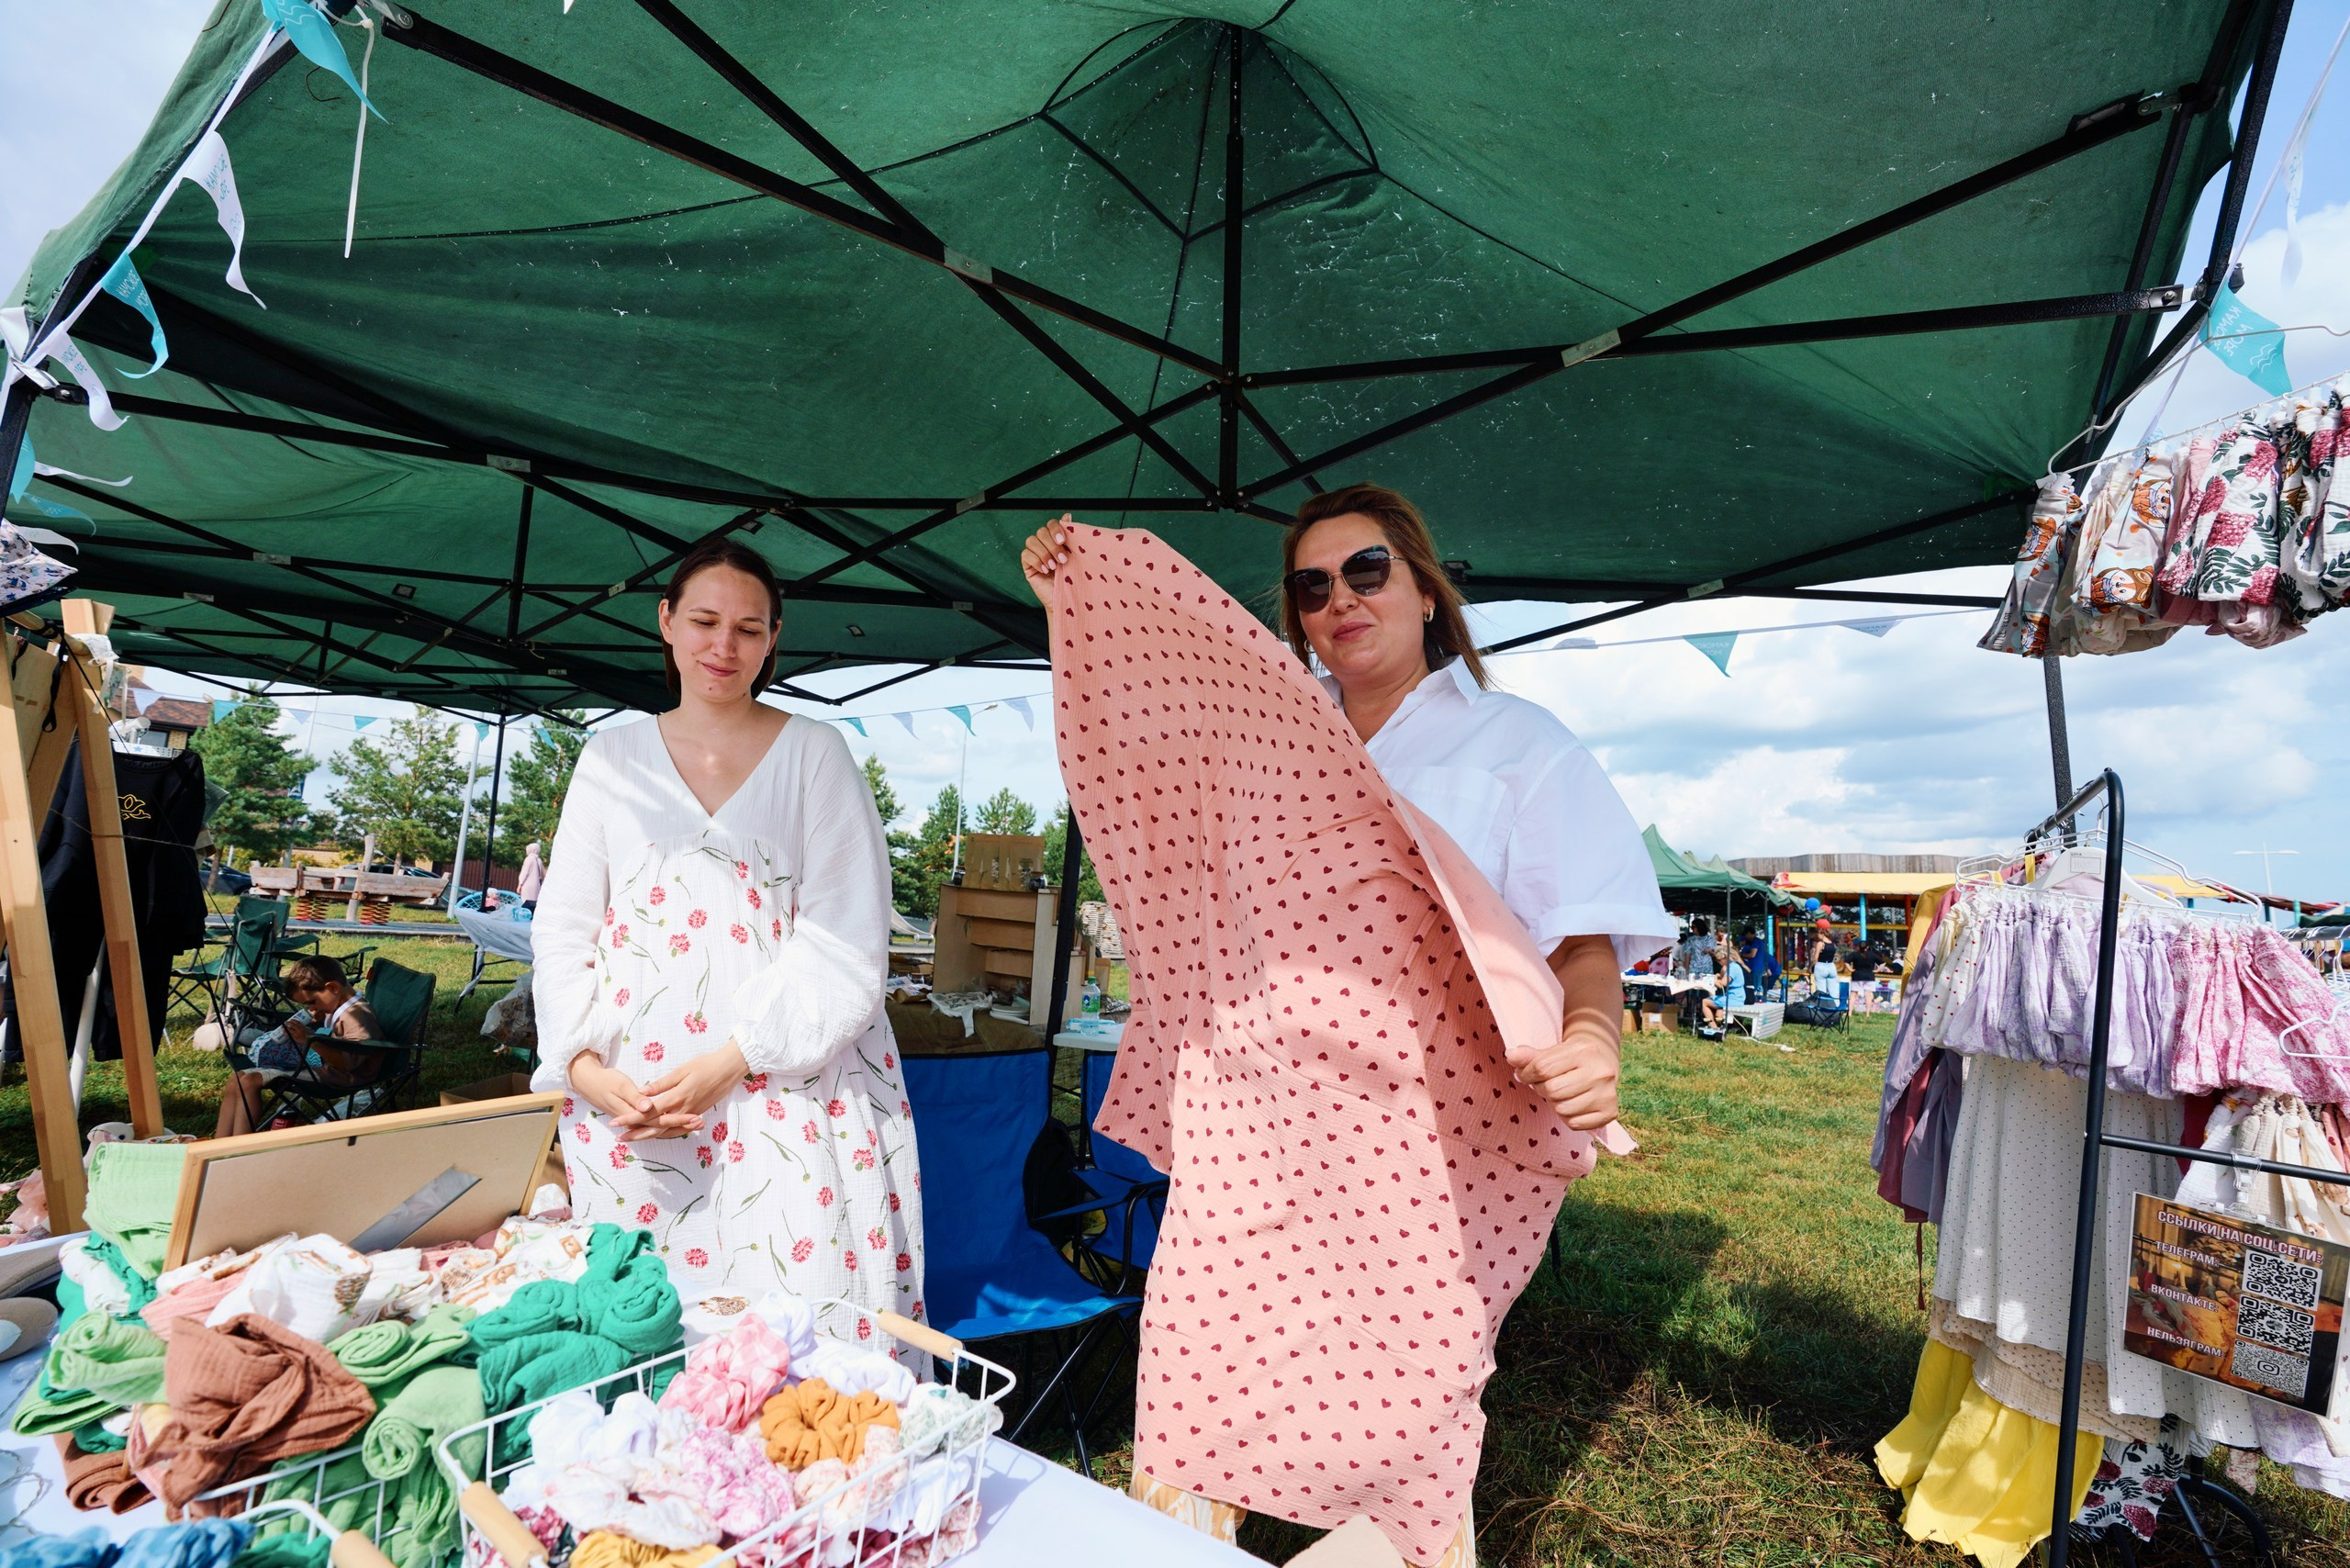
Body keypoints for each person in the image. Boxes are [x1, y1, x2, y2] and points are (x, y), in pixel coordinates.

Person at [1020, 485, 1673, 1567]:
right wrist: (1079, 595)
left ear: (1425, 588)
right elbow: (1150, 791)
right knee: (1201, 1379)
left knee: (1409, 1418)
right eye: (1311, 585)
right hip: (1254, 1131)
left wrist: (1594, 1040)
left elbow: (1582, 940)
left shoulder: (1518, 744)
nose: (1339, 599)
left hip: (1423, 1153)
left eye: (1366, 570)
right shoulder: (1262, 734)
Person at [530, 538, 923, 1342]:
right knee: (645, 1331)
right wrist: (583, 1067)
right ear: (667, 622)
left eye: (749, 628)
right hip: (639, 1101)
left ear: (773, 639)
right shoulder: (611, 757)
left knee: (794, 1334)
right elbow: (565, 926)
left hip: (788, 1088)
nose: (724, 646)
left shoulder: (815, 753)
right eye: (705, 621)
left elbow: (845, 934)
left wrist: (732, 1059)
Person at [215, 955, 381, 1137]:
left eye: (312, 1002)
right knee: (236, 1079)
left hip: (340, 1077)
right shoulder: (338, 1006)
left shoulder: (358, 1017)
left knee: (249, 1081)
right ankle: (218, 1142)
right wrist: (318, 1019)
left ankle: (238, 1148)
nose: (311, 1008)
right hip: (322, 1067)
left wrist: (310, 1039)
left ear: (332, 988)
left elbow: (348, 1064)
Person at [516, 841, 545, 912]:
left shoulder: (529, 859)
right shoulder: (539, 860)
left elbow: (525, 873)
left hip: (527, 885)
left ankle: (525, 916)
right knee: (533, 903)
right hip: (537, 885)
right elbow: (542, 874)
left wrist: (520, 884)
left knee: (525, 902)